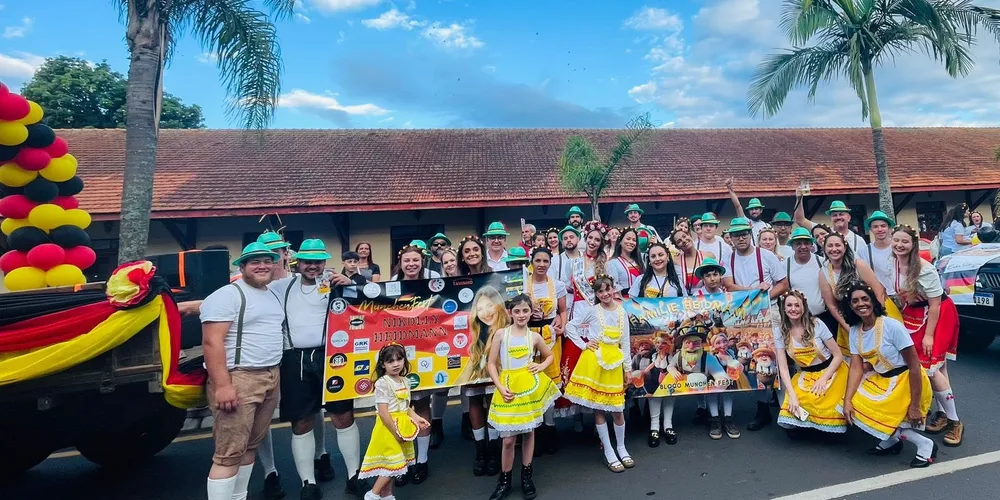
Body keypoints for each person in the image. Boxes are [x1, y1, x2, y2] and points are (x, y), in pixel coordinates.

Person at [268, 239, 353, 500]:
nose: (313, 266)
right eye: (308, 261)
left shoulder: (336, 284)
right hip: (296, 359)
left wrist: (352, 285)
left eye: (318, 261)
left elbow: (370, 300)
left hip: (334, 357)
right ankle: (308, 483)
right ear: (298, 262)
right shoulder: (282, 286)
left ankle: (354, 475)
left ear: (324, 262)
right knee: (302, 421)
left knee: (343, 416)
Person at [200, 243, 284, 500]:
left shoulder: (271, 293)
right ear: (242, 266)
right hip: (239, 378)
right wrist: (223, 385)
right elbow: (212, 341)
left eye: (267, 261)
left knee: (250, 448)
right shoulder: (228, 295)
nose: (262, 266)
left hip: (270, 376)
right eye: (254, 262)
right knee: (228, 454)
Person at [839, 284, 936, 468]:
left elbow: (915, 366)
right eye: (855, 301)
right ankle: (891, 442)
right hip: (883, 379)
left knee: (888, 417)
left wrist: (915, 406)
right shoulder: (854, 330)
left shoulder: (892, 326)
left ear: (873, 301)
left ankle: (925, 445)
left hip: (906, 380)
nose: (861, 304)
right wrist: (847, 400)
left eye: (865, 299)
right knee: (852, 404)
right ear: (850, 307)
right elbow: (856, 368)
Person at [890, 225, 963, 446]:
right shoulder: (893, 262)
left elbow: (935, 304)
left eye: (904, 241)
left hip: (937, 314)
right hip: (913, 313)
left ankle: (955, 421)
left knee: (928, 366)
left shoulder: (923, 268)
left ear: (913, 244)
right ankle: (942, 413)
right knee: (937, 367)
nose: (899, 245)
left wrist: (928, 335)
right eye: (896, 241)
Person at [486, 294, 559, 500]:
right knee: (508, 439)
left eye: (525, 310)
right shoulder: (501, 334)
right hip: (508, 387)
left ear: (530, 312)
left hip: (528, 387)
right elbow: (492, 363)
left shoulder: (534, 337)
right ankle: (505, 480)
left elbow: (550, 355)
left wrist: (541, 365)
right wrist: (499, 386)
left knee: (528, 432)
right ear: (510, 312)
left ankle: (527, 476)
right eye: (516, 311)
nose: (521, 315)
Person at [721, 217, 788, 431]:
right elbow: (729, 285)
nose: (740, 238)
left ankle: (787, 407)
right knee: (755, 361)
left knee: (776, 357)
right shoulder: (728, 259)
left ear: (750, 234)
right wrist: (753, 293)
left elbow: (783, 284)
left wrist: (765, 297)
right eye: (735, 235)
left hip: (769, 311)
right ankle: (762, 410)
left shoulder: (767, 256)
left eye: (743, 234)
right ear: (730, 238)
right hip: (742, 316)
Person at [563, 276, 635, 473]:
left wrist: (627, 369)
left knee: (618, 409)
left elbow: (626, 343)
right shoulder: (593, 311)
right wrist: (584, 344)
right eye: (600, 291)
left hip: (614, 364)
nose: (605, 294)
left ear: (613, 289)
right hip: (595, 362)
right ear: (596, 294)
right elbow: (570, 326)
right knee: (599, 409)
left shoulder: (622, 313)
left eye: (608, 289)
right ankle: (609, 451)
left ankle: (621, 447)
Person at [359, 344, 430, 500]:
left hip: (402, 427)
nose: (396, 364)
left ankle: (387, 495)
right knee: (392, 467)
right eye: (390, 361)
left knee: (396, 465)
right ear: (383, 364)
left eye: (399, 359)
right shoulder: (382, 383)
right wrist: (395, 432)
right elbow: (384, 413)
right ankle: (372, 494)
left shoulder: (405, 381)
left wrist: (417, 418)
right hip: (388, 429)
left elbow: (406, 407)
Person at [773, 291, 848, 437]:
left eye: (797, 305)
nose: (793, 309)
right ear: (784, 308)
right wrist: (792, 395)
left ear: (803, 308)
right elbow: (782, 367)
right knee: (792, 424)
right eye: (789, 305)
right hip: (805, 374)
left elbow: (838, 355)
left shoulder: (817, 324)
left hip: (831, 371)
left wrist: (823, 379)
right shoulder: (780, 331)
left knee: (828, 413)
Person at [455, 285, 510, 477]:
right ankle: (480, 450)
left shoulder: (506, 327)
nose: (485, 313)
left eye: (489, 306)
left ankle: (494, 449)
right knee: (475, 402)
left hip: (499, 371)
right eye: (480, 309)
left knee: (494, 403)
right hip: (477, 372)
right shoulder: (472, 331)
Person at [525, 247, 568, 454]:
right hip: (528, 335)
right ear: (531, 261)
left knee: (550, 382)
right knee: (532, 380)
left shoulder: (557, 285)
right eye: (538, 260)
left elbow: (562, 310)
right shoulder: (524, 284)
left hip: (551, 335)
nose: (542, 264)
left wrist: (562, 325)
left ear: (550, 263)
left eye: (545, 261)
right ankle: (535, 428)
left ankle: (550, 428)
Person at [818, 233, 889, 357]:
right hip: (850, 320)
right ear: (824, 249)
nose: (834, 249)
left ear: (845, 248)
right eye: (830, 246)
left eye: (837, 245)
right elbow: (832, 305)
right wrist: (850, 329)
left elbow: (878, 291)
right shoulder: (823, 272)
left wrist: (876, 321)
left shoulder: (858, 265)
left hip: (876, 313)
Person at [795, 195, 871, 264]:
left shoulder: (859, 240)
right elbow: (800, 220)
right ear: (831, 218)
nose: (838, 217)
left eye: (841, 214)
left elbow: (865, 264)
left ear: (849, 217)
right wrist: (799, 198)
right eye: (834, 215)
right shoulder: (823, 232)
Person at [672, 229, 713, 296]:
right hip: (686, 302)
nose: (684, 241)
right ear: (677, 247)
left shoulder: (708, 256)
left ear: (689, 235)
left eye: (684, 236)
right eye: (679, 241)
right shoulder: (675, 262)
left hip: (708, 300)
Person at [606, 227, 644, 298]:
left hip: (642, 302)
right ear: (620, 241)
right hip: (625, 303)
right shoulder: (613, 263)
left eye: (634, 240)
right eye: (628, 239)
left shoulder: (640, 261)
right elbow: (613, 286)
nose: (631, 242)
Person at [864, 211, 895, 293]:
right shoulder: (864, 251)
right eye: (875, 227)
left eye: (883, 226)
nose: (880, 229)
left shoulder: (898, 247)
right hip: (879, 296)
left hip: (902, 295)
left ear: (889, 228)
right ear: (870, 229)